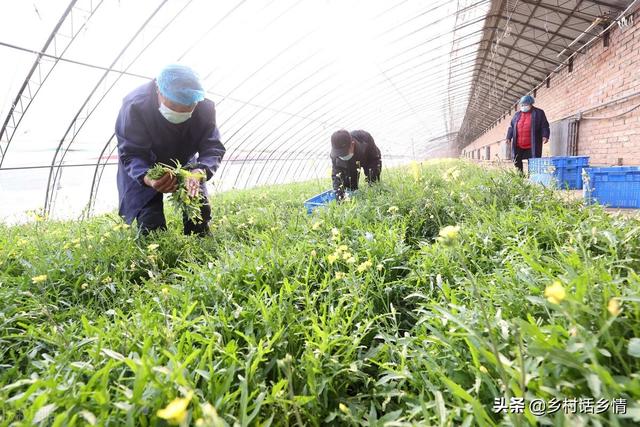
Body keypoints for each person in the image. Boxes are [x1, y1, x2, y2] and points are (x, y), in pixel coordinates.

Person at [116, 64, 226, 235]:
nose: (181, 112)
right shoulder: (136, 105)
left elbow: (213, 146)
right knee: (150, 221)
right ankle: (156, 254)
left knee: (199, 211)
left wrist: (199, 171)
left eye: (188, 107)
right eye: (174, 106)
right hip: (145, 165)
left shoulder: (204, 107)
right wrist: (148, 179)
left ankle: (199, 245)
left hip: (183, 162)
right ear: (159, 91)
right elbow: (132, 152)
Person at [330, 129, 382, 199]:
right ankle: (353, 195)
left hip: (368, 157)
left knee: (373, 180)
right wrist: (339, 195)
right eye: (339, 154)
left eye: (343, 153)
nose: (341, 156)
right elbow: (336, 174)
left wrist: (372, 179)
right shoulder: (335, 155)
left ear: (352, 144)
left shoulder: (364, 139)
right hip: (350, 163)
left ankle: (374, 193)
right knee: (350, 186)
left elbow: (374, 160)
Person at [506, 95, 550, 173]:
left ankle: (532, 178)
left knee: (533, 161)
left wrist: (545, 135)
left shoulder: (539, 113)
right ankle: (520, 177)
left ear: (531, 104)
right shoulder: (517, 115)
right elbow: (512, 127)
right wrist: (508, 137)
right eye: (522, 105)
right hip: (518, 144)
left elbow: (544, 125)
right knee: (516, 160)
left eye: (525, 105)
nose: (523, 106)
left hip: (532, 144)